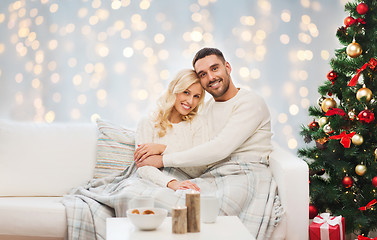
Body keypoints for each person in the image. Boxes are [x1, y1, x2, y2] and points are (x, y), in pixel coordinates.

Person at [134, 47, 280, 240]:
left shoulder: (250, 102)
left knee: (207, 210)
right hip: (215, 173)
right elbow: (199, 150)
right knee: (183, 202)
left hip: (246, 172)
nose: (210, 77)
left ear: (227, 67)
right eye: (203, 74)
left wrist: (162, 157)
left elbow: (219, 148)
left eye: (215, 69)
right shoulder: (208, 108)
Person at [134, 68, 209, 191]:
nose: (190, 101)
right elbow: (142, 166)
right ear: (174, 90)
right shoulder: (147, 122)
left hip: (187, 182)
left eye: (196, 96)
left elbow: (199, 168)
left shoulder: (198, 123)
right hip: (151, 182)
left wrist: (162, 149)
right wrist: (172, 183)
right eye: (186, 92)